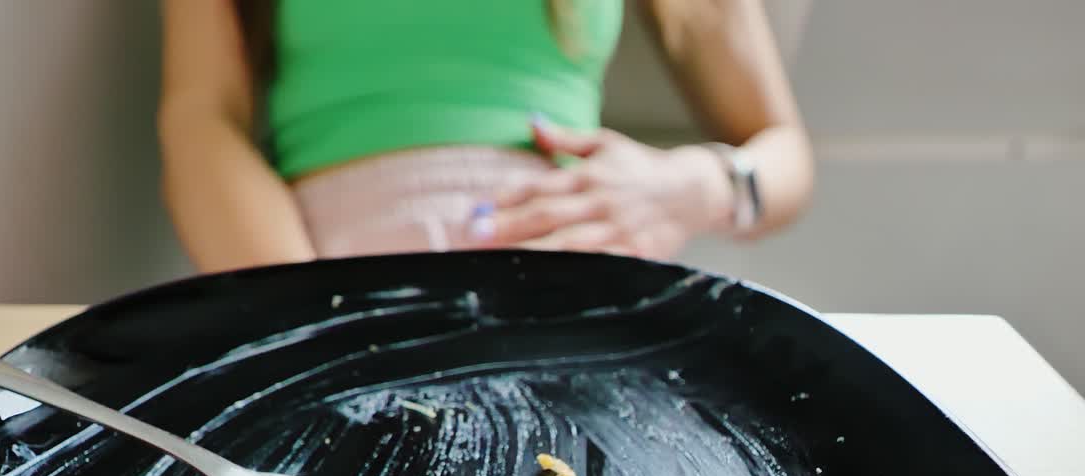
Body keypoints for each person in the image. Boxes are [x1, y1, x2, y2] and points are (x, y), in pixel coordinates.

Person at [158, 0, 813, 273]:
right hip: (324, 267)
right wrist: (306, 316)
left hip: (568, 271)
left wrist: (691, 187)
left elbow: (784, 153)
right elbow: (200, 118)